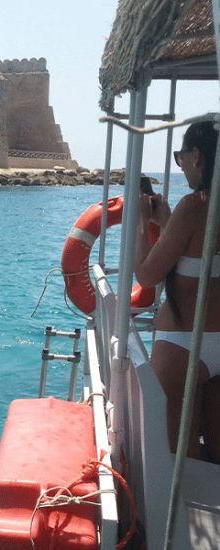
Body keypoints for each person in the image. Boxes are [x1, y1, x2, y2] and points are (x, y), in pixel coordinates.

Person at [134, 120, 220, 461]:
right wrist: (168, 222)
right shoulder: (191, 213)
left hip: (184, 345)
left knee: (177, 463)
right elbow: (205, 260)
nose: (180, 164)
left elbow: (147, 276)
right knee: (216, 464)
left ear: (196, 156)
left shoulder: (195, 206)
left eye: (179, 156)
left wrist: (144, 225)